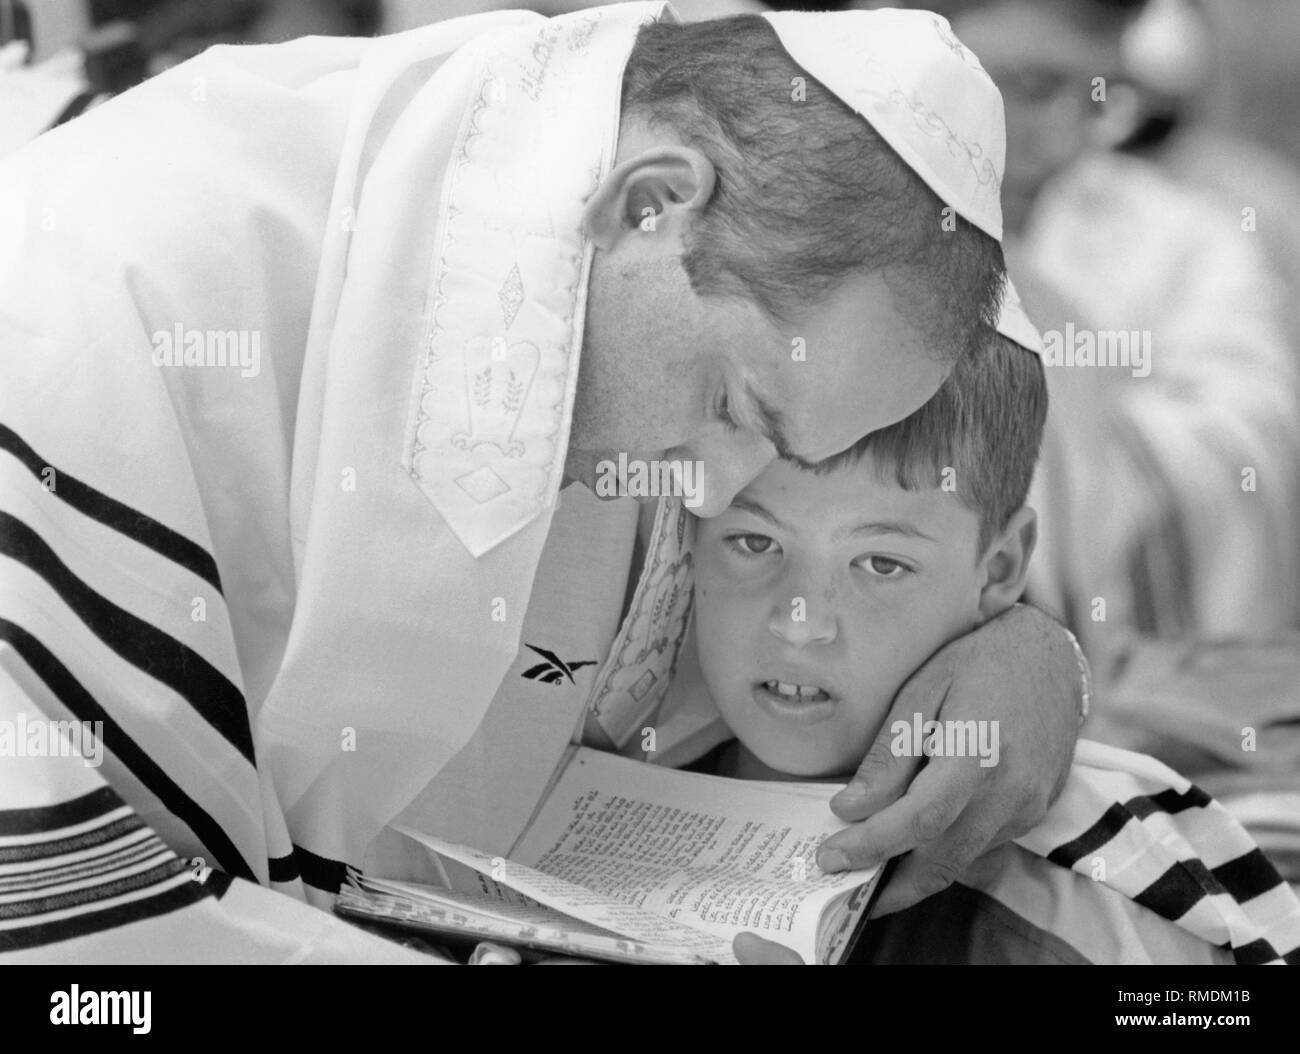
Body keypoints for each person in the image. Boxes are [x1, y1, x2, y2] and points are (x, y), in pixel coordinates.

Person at [0, 5, 1085, 960]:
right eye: (734, 408)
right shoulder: (100, 295)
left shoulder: (632, 314)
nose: (713, 494)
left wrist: (1022, 652)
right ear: (650, 204)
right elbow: (71, 926)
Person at [664, 330, 1300, 963]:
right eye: (753, 542)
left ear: (999, 569)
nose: (800, 622)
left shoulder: (1098, 898)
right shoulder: (619, 765)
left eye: (881, 563)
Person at [930, 0, 1300, 652]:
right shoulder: (825, 210)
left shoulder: (1184, 237)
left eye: (1103, 96)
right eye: (1034, 87)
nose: (1071, 136)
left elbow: (1251, 437)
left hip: (1137, 699)